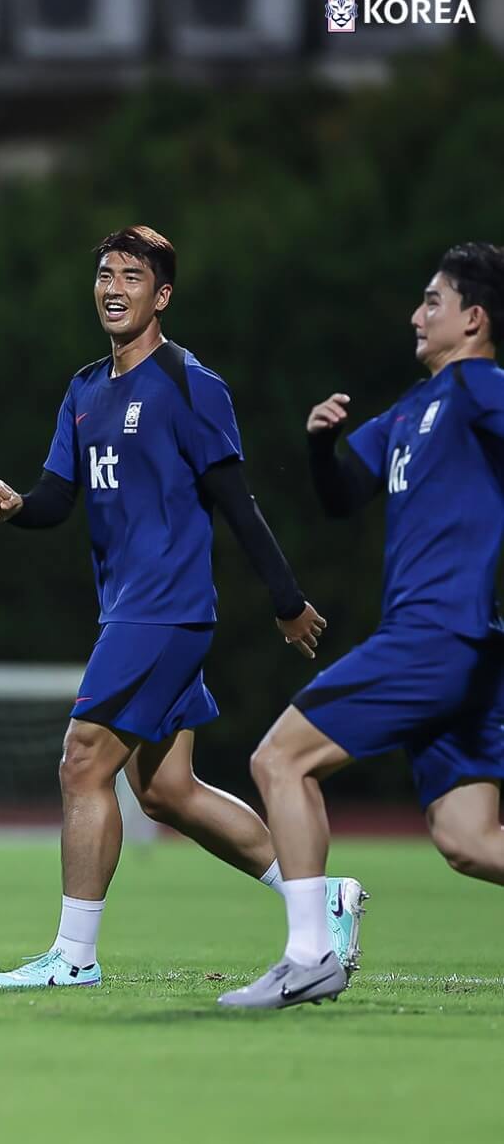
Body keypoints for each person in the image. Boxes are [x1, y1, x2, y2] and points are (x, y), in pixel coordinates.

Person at [0, 226, 363, 989]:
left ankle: (74, 956)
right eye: (104, 273)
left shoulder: (191, 383)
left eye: (132, 274)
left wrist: (286, 600)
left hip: (165, 609)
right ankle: (321, 898)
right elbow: (59, 496)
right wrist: (18, 504)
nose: (113, 286)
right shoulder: (83, 388)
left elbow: (234, 501)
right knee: (166, 791)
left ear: (162, 295)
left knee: (82, 760)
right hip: (126, 607)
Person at [221, 242, 504, 1009]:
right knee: (470, 841)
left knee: (278, 759)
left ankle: (310, 953)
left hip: (435, 633)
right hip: (458, 647)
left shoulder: (479, 387)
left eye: (432, 301)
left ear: (473, 318)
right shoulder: (413, 410)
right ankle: (310, 952)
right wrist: (318, 446)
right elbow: (344, 495)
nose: (416, 315)